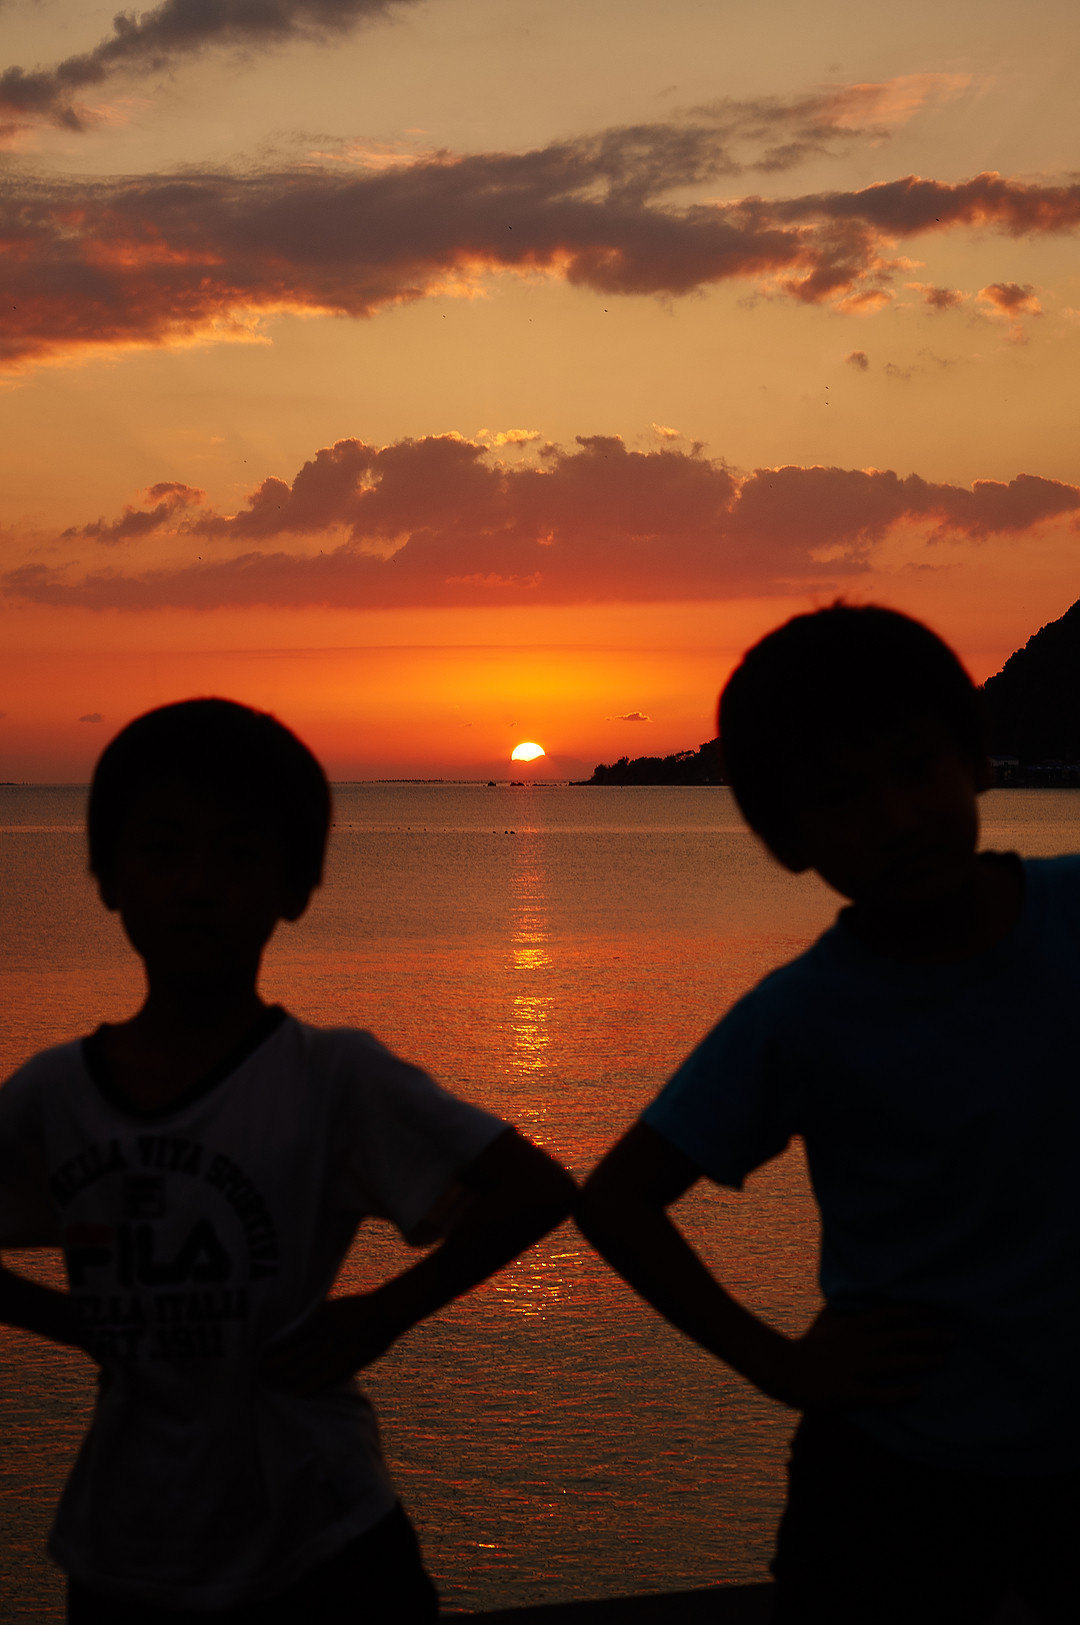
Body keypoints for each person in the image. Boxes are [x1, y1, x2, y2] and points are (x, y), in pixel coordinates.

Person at [0, 698, 576, 1624]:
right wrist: (75, 1323)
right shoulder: (54, 1092)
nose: (198, 886)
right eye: (163, 851)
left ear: (296, 885)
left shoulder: (330, 1077)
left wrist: (383, 1313)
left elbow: (534, 1188)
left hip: (323, 1531)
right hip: (125, 1539)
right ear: (107, 874)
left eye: (238, 857)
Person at [577, 604, 1078, 1624]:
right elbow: (618, 1201)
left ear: (975, 761)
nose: (894, 817)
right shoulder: (802, 1014)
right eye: (841, 799)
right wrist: (780, 1363)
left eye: (915, 769)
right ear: (787, 840)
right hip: (895, 1471)